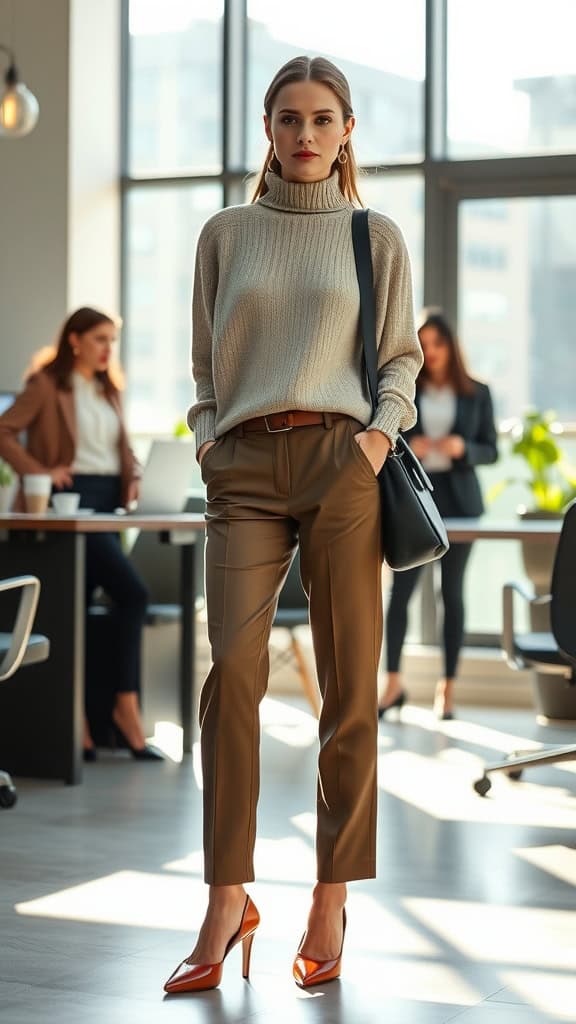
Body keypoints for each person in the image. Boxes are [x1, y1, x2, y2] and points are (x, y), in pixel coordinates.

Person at [163, 55, 423, 995]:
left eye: (322, 119)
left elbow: (399, 358)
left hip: (342, 463)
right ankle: (228, 897)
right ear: (266, 130)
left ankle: (328, 895)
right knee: (233, 670)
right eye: (287, 120)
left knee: (349, 688)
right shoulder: (225, 233)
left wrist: (373, 443)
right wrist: (205, 437)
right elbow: (204, 362)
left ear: (347, 129)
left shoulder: (375, 235)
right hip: (241, 466)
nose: (304, 136)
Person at [0, 306, 163, 762]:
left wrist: (133, 472)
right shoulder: (47, 386)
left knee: (84, 612)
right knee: (132, 594)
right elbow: (4, 431)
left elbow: (118, 447)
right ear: (75, 340)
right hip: (69, 505)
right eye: (100, 339)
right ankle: (124, 712)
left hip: (108, 504)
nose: (108, 348)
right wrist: (42, 473)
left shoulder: (110, 390)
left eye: (112, 340)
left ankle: (87, 725)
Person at [378, 311, 498, 722]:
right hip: (415, 501)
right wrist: (418, 442)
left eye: (438, 344)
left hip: (461, 503)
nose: (430, 353)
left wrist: (462, 448)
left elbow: (491, 449)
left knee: (453, 595)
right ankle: (392, 683)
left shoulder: (478, 393)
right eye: (423, 345)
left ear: (451, 345)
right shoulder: (404, 390)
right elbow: (392, 437)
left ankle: (447, 689)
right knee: (401, 592)